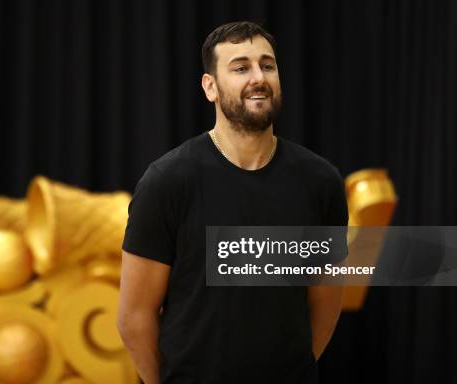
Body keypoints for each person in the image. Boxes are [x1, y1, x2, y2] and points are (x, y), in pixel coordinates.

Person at [117, 21, 348, 384]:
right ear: (210, 86)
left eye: (267, 65)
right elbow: (134, 318)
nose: (258, 77)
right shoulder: (168, 181)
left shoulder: (320, 181)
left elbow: (326, 304)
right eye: (240, 68)